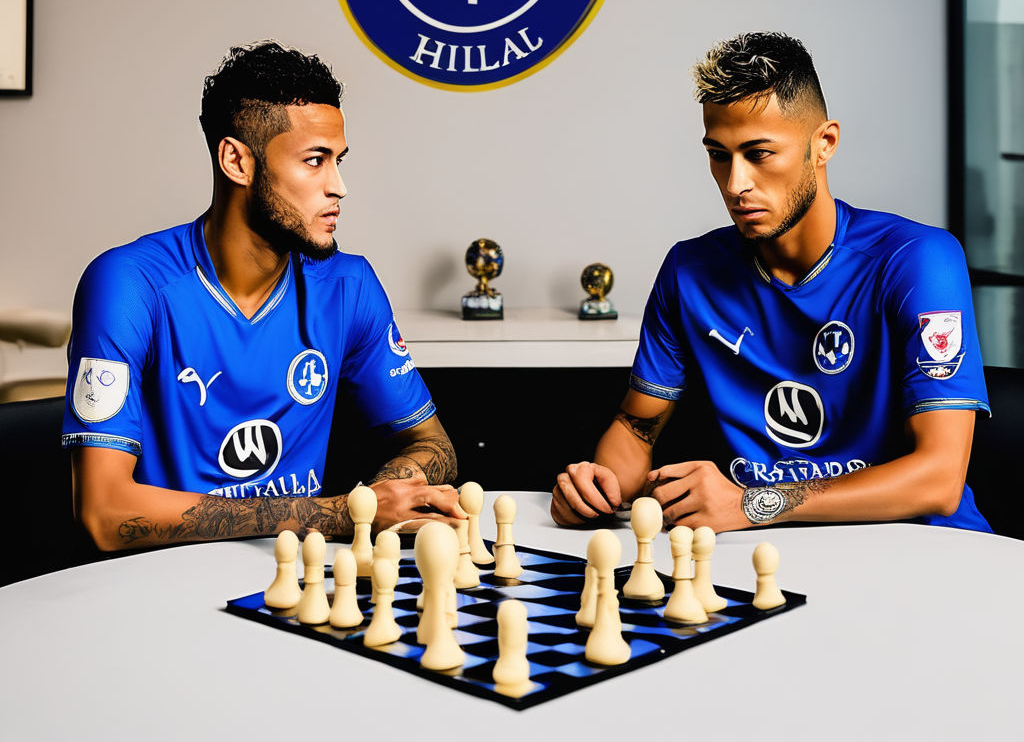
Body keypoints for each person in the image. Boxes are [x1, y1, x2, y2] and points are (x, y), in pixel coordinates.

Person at [552, 31, 991, 533]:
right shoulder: (689, 271)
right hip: (774, 554)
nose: (735, 183)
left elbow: (939, 479)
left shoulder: (916, 259)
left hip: (925, 550)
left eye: (759, 154)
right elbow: (636, 428)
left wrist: (749, 504)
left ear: (823, 144)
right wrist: (597, 487)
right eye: (719, 154)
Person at [62, 40, 463, 550]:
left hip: (294, 579)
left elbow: (430, 442)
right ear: (237, 161)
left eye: (338, 160)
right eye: (315, 161)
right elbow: (103, 512)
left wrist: (388, 495)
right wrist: (343, 513)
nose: (339, 186)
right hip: (158, 583)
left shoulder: (348, 286)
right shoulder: (128, 285)